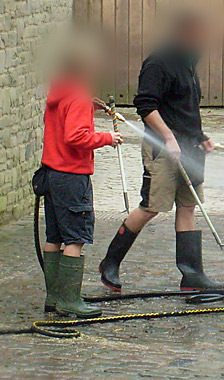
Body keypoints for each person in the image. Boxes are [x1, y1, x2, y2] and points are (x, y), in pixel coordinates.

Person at [99, 10, 224, 293]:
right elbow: (146, 105)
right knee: (151, 207)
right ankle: (110, 263)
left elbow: (184, 109)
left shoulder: (188, 62)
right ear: (184, 33)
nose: (203, 40)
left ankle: (191, 276)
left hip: (190, 151)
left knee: (188, 206)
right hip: (164, 151)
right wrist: (168, 138)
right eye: (199, 35)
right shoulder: (159, 62)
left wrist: (201, 137)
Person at [41, 33, 122, 318]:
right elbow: (76, 136)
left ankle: (54, 297)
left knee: (54, 236)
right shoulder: (77, 97)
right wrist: (107, 137)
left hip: (51, 175)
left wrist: (88, 105)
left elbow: (64, 124)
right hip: (72, 177)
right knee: (75, 238)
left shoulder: (61, 91)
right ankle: (69, 301)